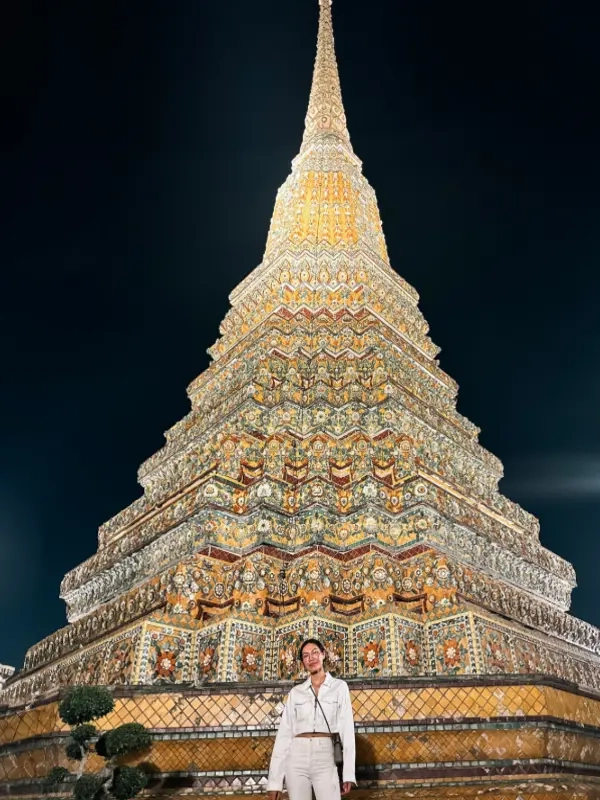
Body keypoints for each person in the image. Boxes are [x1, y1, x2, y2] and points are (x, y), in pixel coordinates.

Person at [266, 638, 356, 800]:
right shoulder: (296, 692)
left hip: (325, 756)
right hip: (296, 756)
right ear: (303, 662)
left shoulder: (339, 687)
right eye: (306, 656)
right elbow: (284, 736)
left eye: (315, 652)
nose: (311, 658)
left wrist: (348, 773)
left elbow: (347, 731)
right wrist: (275, 782)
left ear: (323, 654)